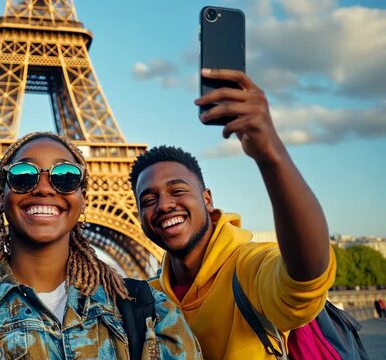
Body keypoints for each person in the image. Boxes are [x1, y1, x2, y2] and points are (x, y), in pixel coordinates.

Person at [0, 132, 202, 359]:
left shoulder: (151, 311)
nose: (44, 187)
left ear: (83, 199)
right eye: (24, 175)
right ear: (0, 197)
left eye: (66, 177)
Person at [129, 69, 336, 359]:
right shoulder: (148, 296)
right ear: (139, 216)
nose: (163, 205)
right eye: (148, 199)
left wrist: (270, 154)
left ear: (208, 199)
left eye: (177, 191)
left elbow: (306, 278)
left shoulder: (248, 267)